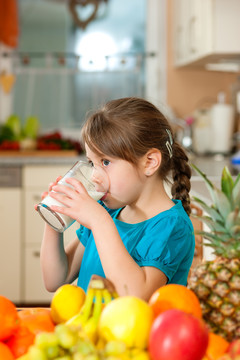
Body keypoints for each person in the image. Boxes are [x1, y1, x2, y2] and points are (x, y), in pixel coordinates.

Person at [39, 97, 195, 301]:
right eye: (91, 162)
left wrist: (98, 221)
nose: (94, 175)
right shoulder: (108, 209)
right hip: (88, 331)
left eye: (105, 162)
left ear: (149, 162)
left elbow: (135, 297)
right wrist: (55, 220)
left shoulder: (172, 227)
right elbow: (55, 280)